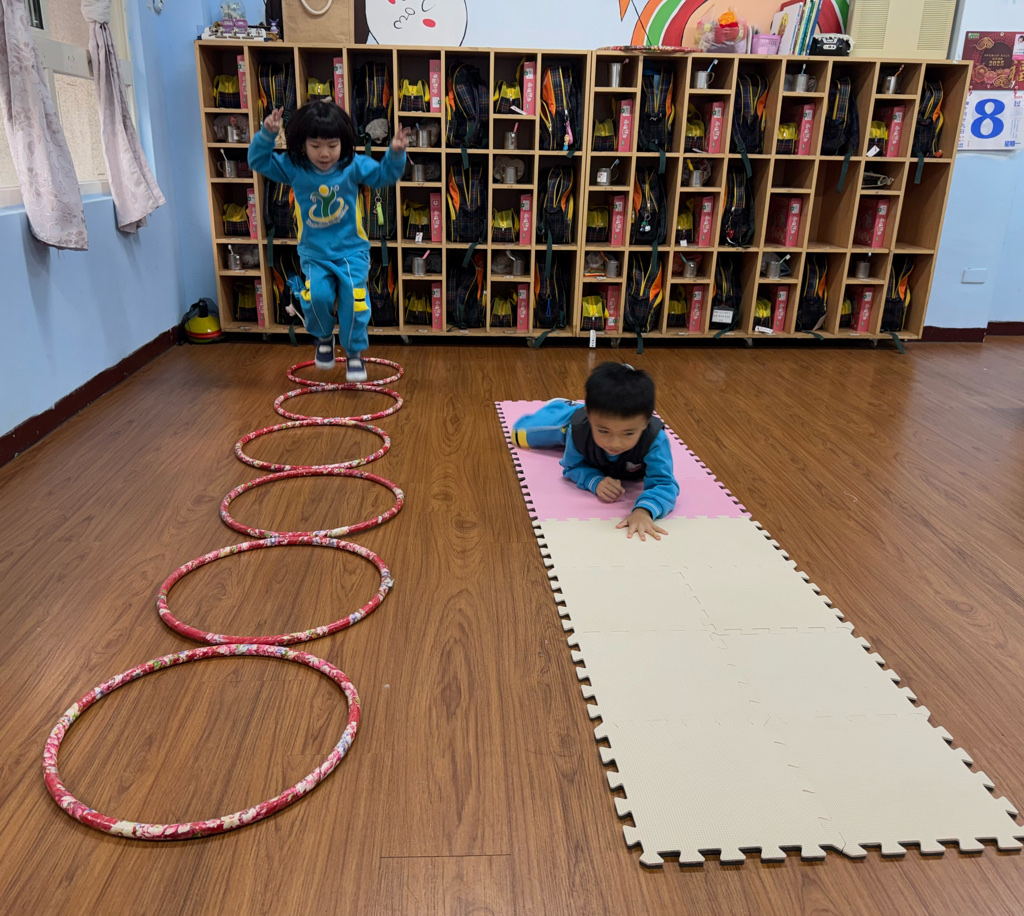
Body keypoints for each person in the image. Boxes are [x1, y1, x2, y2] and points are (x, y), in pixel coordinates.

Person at [248, 100, 410, 379]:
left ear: (343, 143)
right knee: (318, 297)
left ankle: (354, 353)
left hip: (352, 251)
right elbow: (258, 161)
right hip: (315, 253)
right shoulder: (295, 167)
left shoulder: (352, 165)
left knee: (355, 304)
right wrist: (267, 135)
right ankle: (323, 337)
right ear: (302, 144)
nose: (324, 154)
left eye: (332, 145)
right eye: (315, 146)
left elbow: (384, 176)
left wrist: (395, 153)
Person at [512, 362, 679, 540]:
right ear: (589, 416)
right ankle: (564, 406)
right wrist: (595, 481)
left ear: (645, 422)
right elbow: (572, 467)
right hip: (570, 426)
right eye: (604, 431)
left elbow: (665, 483)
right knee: (519, 436)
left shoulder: (655, 440)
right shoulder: (579, 430)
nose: (615, 443)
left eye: (628, 433)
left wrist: (644, 510)